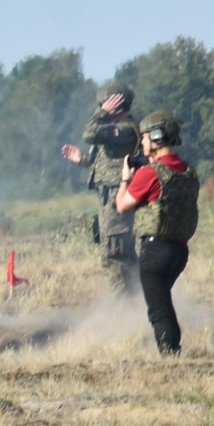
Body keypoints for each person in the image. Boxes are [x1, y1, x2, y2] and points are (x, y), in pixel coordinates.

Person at [115, 109, 199, 355]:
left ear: (158, 137)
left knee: (158, 309)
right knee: (163, 301)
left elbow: (122, 206)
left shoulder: (149, 173)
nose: (141, 142)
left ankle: (170, 354)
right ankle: (172, 350)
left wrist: (125, 180)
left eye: (145, 136)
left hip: (155, 250)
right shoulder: (187, 170)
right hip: (179, 250)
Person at [61, 82, 141, 296]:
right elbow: (110, 165)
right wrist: (83, 160)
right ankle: (132, 301)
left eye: (106, 103)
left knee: (116, 255)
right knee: (114, 252)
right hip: (110, 198)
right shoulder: (117, 130)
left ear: (117, 105)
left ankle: (124, 304)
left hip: (118, 199)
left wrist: (102, 113)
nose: (102, 107)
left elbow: (89, 134)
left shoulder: (124, 129)